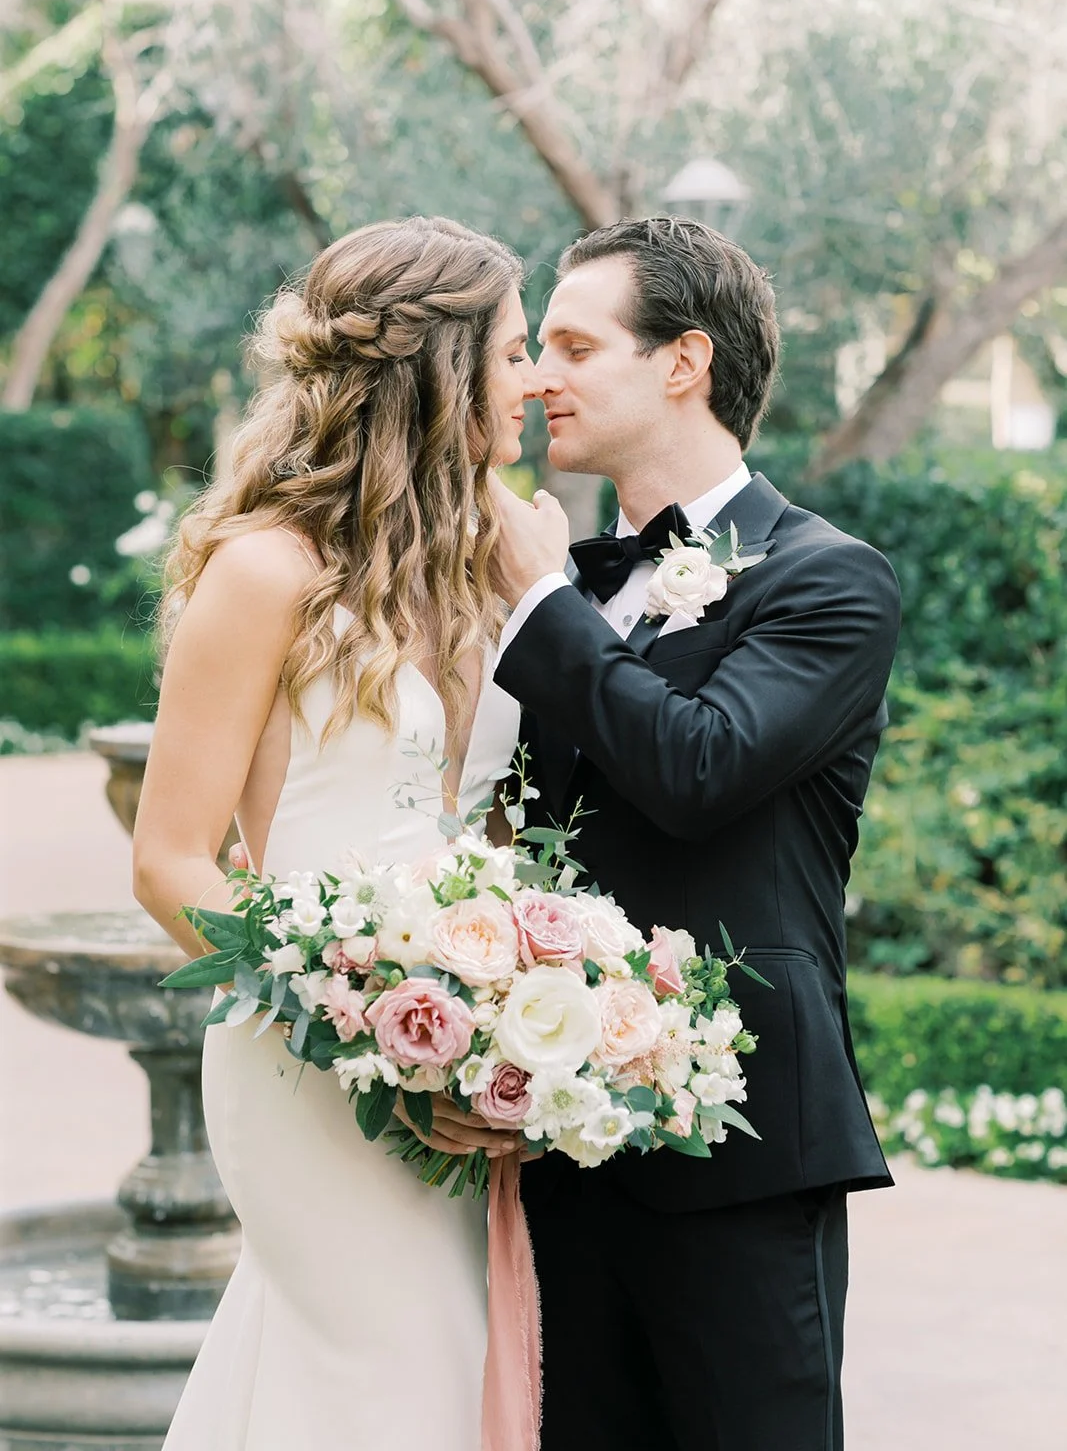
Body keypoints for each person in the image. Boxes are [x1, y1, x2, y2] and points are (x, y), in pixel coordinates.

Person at [489, 216, 902, 1451]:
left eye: (572, 344)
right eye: (533, 348)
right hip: (555, 1136)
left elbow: (697, 765)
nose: (536, 377)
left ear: (682, 362)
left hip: (741, 1143)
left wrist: (535, 603)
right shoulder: (560, 574)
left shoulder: (825, 579)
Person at [133, 216, 542, 1451]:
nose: (533, 383)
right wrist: (356, 1013)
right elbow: (168, 859)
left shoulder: (505, 556)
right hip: (306, 1056)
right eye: (515, 354)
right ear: (440, 372)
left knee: (442, 1365)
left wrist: (510, 1009)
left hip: (463, 1056)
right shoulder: (264, 571)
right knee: (385, 1362)